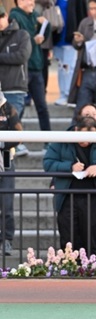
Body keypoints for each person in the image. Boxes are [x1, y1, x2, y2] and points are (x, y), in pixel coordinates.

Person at [43, 116, 96, 259]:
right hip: (67, 198)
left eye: (90, 138)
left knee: (94, 237)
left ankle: (93, 269)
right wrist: (70, 167)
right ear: (76, 130)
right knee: (69, 237)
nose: (86, 142)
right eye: (83, 136)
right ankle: (69, 269)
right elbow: (48, 163)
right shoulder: (62, 141)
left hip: (95, 198)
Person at [9, 0, 52, 146]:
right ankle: (15, 142)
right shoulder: (15, 16)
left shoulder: (35, 15)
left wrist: (46, 24)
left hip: (37, 67)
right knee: (18, 108)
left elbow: (45, 32)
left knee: (42, 107)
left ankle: (48, 142)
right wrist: (34, 41)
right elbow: (18, 41)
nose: (32, 2)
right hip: (23, 69)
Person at [0, 5, 31, 157]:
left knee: (12, 127)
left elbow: (22, 56)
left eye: (1, 17)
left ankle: (16, 148)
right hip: (2, 90)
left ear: (6, 16)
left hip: (15, 88)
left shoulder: (22, 35)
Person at [0, 88, 23, 256]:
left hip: (6, 162)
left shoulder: (8, 108)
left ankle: (6, 239)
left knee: (7, 204)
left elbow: (19, 134)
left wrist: (2, 144)